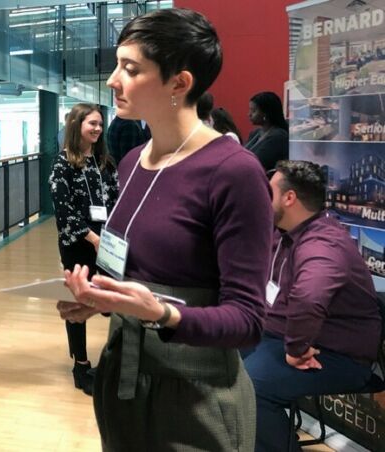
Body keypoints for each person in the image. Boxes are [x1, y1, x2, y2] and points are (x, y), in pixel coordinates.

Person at [57, 8, 273, 451]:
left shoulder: (233, 171)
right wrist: (104, 302)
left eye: (130, 69)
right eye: (117, 65)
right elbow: (134, 266)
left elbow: (249, 320)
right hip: (123, 376)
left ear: (180, 83)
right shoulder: (134, 161)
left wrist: (162, 314)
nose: (113, 80)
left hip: (194, 393)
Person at [243, 160, 381, 452]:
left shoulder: (323, 242)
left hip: (333, 353)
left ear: (289, 198)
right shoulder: (280, 233)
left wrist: (295, 350)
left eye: (268, 192)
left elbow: (308, 299)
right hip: (284, 335)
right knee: (218, 352)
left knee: (253, 384)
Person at [49, 103, 119, 395]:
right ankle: (81, 365)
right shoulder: (62, 164)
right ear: (77, 125)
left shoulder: (104, 162)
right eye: (92, 123)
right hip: (78, 245)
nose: (97, 129)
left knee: (111, 301)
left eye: (100, 124)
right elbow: (64, 212)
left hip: (108, 243)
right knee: (78, 303)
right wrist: (92, 238)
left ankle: (116, 359)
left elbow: (117, 198)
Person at [245, 91, 289, 171]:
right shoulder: (255, 133)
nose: (249, 114)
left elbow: (256, 162)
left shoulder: (278, 136)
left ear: (265, 113)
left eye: (254, 111)